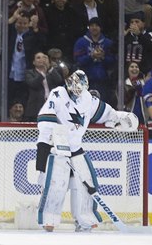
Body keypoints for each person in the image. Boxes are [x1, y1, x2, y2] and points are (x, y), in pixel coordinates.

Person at [35, 69, 138, 232]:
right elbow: (46, 119)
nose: (76, 92)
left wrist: (118, 118)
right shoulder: (58, 93)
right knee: (56, 186)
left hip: (76, 149)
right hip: (58, 150)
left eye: (79, 89)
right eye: (73, 87)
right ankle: (50, 219)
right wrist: (51, 141)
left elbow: (106, 113)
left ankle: (85, 219)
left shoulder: (88, 99)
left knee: (85, 185)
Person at [24, 52, 64, 121]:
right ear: (34, 62)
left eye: (44, 57)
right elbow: (33, 84)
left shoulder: (52, 72)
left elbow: (59, 81)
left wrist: (50, 68)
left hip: (52, 108)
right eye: (38, 58)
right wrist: (43, 73)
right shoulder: (29, 73)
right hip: (36, 109)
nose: (41, 59)